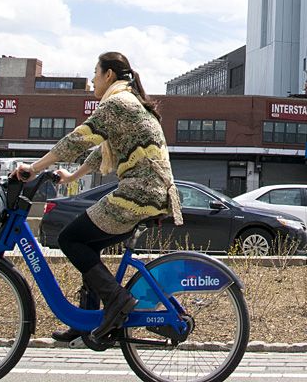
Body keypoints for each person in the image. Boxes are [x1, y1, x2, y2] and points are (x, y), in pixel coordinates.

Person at [12, 51, 182, 343]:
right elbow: (100, 148)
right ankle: (86, 322)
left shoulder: (118, 103)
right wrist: (73, 177)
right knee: (87, 246)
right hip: (151, 191)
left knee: (70, 239)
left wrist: (34, 167)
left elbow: (80, 138)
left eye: (95, 72)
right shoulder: (128, 101)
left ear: (109, 75)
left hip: (138, 192)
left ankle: (116, 301)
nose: (92, 80)